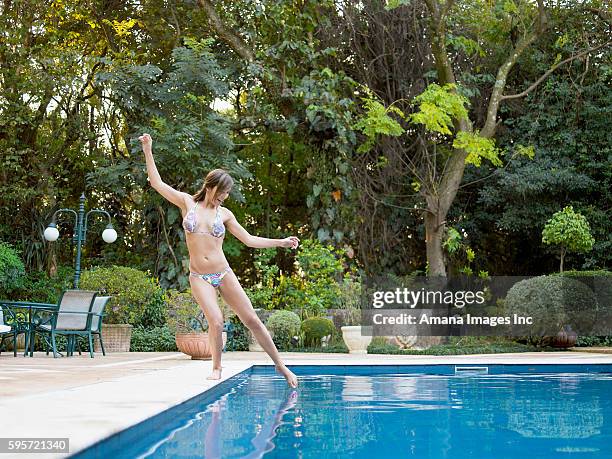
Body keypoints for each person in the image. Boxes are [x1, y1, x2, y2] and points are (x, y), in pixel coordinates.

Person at [139, 133, 299, 388]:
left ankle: (281, 366)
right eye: (223, 192)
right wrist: (148, 149)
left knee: (253, 320)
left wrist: (280, 242)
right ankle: (216, 366)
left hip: (222, 272)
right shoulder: (186, 202)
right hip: (199, 276)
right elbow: (157, 183)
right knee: (216, 320)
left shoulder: (224, 214)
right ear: (211, 186)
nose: (225, 197)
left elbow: (248, 239)